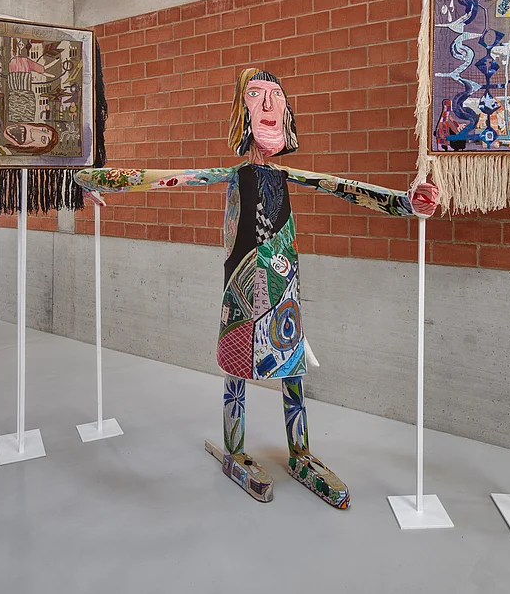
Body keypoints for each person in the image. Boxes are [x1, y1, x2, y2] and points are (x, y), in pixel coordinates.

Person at [76, 67, 437, 509]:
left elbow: (346, 189)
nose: (268, 104)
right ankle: (236, 448)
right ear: (240, 111)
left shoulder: (288, 175)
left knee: (292, 366)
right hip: (241, 290)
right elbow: (166, 177)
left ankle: (301, 453)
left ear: (287, 112)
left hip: (286, 291)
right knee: (237, 364)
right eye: (255, 94)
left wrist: (407, 202)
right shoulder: (234, 175)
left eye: (276, 95)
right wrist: (88, 179)